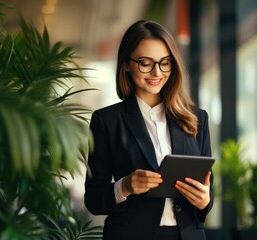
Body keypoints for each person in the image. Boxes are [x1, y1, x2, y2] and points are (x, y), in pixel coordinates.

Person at [84, 20, 213, 240]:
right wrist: (124, 186)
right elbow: (94, 200)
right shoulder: (106, 120)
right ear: (126, 64)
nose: (157, 72)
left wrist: (204, 201)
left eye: (165, 62)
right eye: (145, 63)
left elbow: (209, 192)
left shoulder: (196, 118)